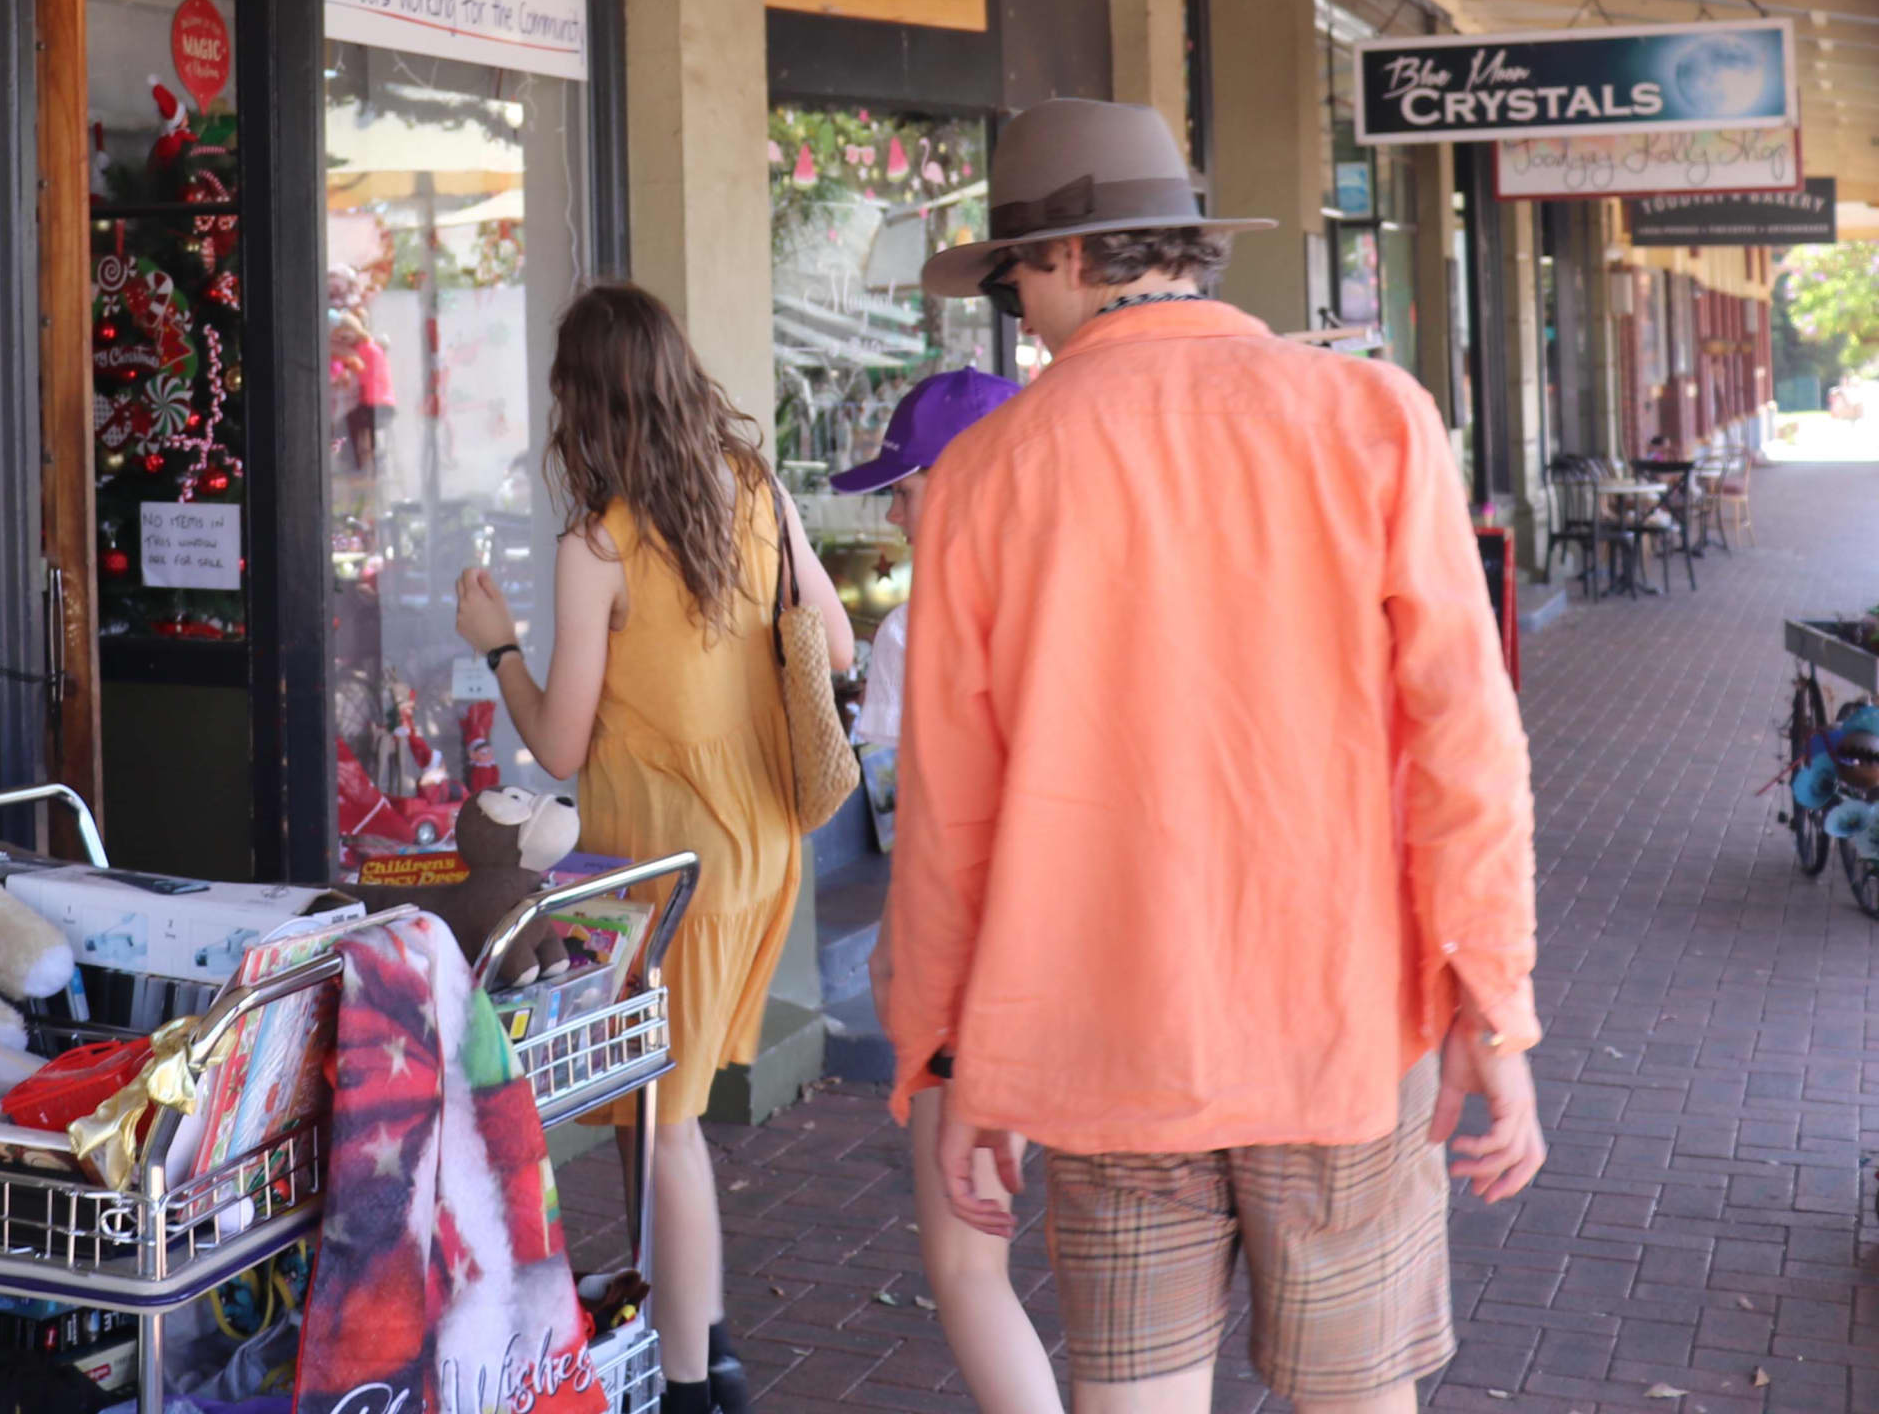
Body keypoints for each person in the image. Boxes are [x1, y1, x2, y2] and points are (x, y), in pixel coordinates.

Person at [887, 99, 1543, 1414]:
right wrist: (1491, 1006)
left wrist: (951, 1059)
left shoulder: (985, 475)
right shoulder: (1372, 417)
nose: (1021, 312)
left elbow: (950, 813)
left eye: (1015, 277)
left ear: (1073, 255)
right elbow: (1467, 744)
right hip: (1341, 1023)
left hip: (1102, 1037)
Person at [457, 282, 855, 1414]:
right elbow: (831, 644)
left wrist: (499, 648)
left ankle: (694, 1386)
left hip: (664, 873)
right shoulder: (756, 488)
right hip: (761, 848)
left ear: (584, 403)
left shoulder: (599, 544)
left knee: (666, 1127)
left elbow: (558, 741)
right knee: (652, 1110)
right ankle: (701, 1334)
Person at [831, 368, 1059, 1414]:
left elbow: (915, 826)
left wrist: (899, 965)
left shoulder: (912, 630)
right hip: (1100, 967)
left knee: (969, 1268)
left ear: (964, 480)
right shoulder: (1091, 607)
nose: (892, 513)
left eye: (905, 487)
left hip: (973, 975)